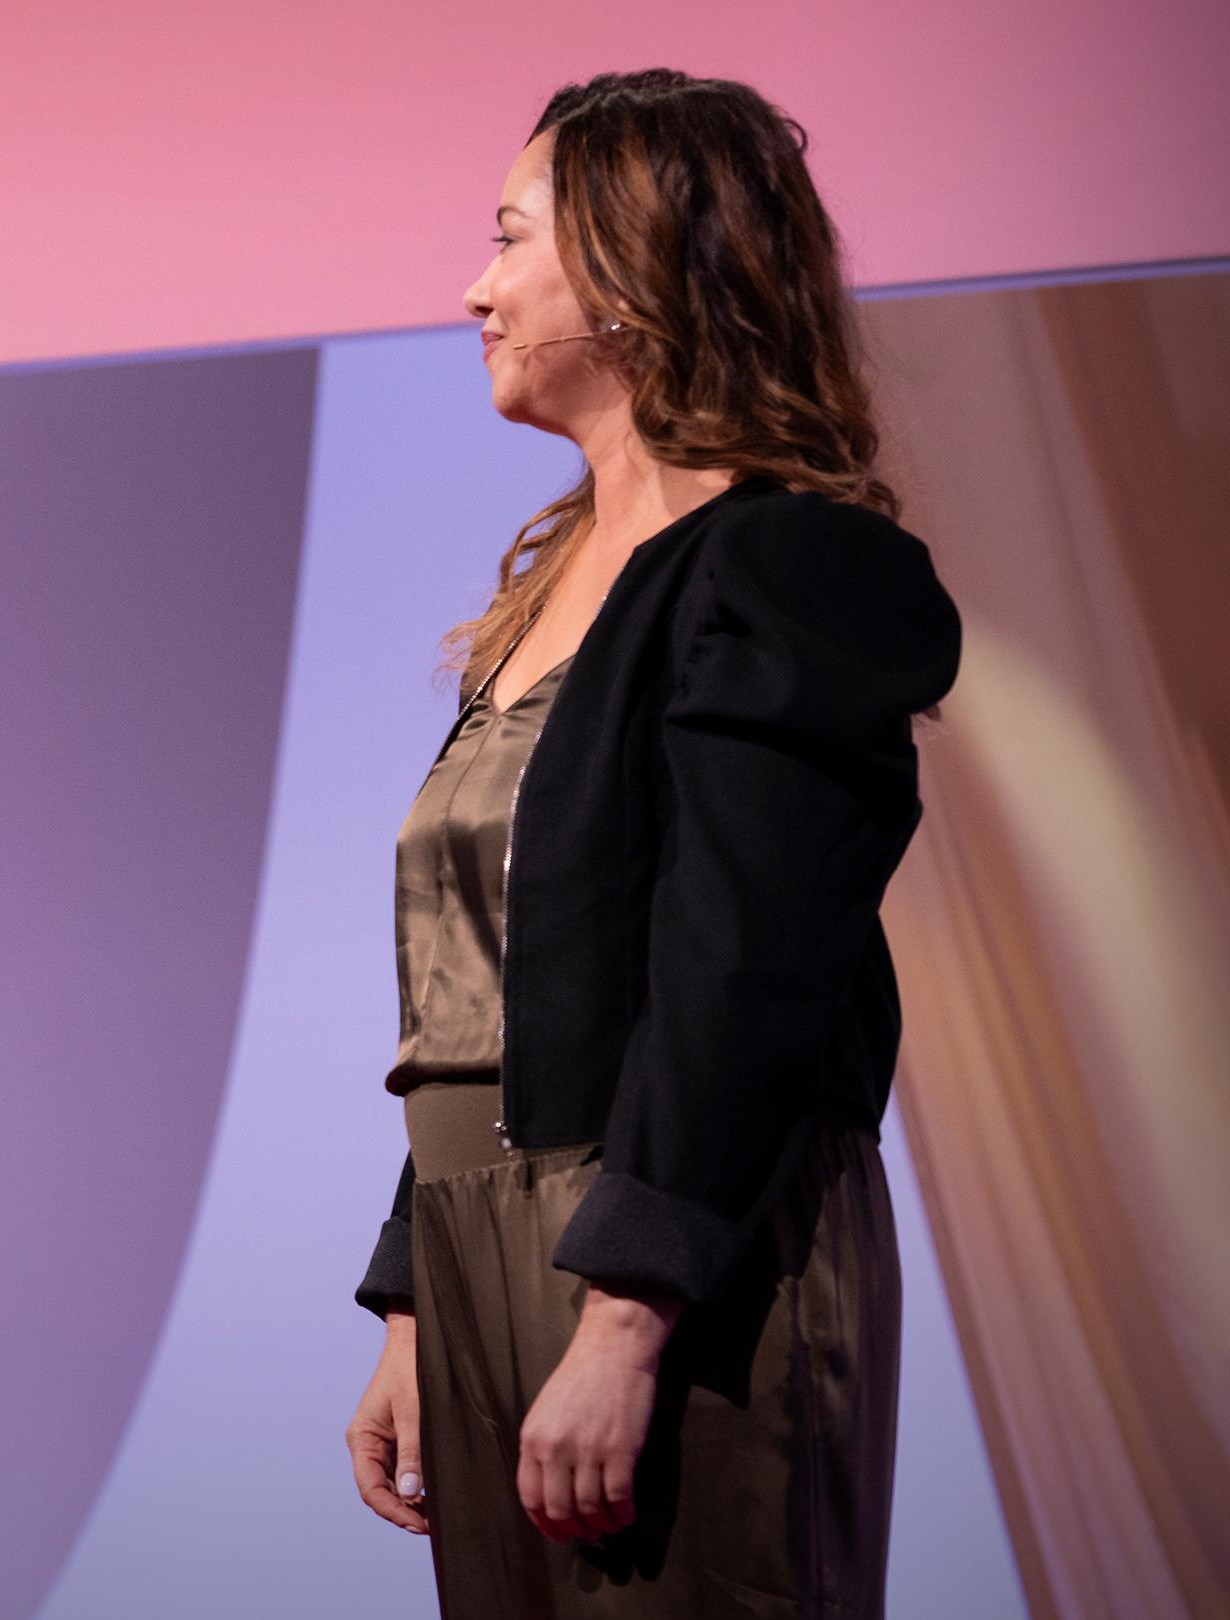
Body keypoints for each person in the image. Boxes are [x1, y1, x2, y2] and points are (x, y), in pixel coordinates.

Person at [340, 71, 960, 1617]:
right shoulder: (535, 605)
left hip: (676, 1247)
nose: (476, 286)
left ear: (628, 269)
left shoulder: (788, 565)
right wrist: (418, 1298)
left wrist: (624, 1324)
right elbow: (482, 980)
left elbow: (745, 965)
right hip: (487, 1239)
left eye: (509, 240)